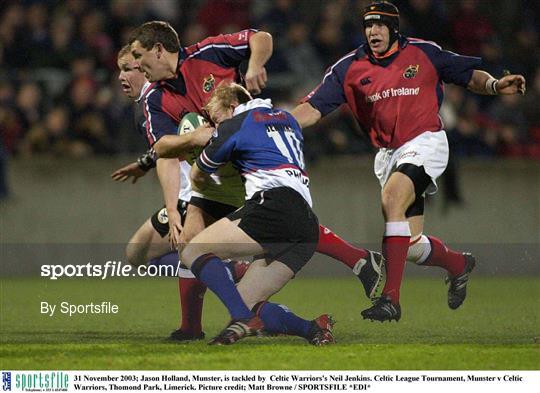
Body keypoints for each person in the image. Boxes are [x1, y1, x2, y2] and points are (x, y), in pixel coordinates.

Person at [291, 1, 526, 322]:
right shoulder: (349, 67)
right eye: (368, 25)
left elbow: (468, 76)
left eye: (379, 24)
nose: (373, 30)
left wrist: (495, 85)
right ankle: (459, 264)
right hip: (388, 155)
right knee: (410, 244)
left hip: (426, 141)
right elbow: (313, 108)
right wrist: (275, 122)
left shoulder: (424, 53)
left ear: (393, 28)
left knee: (392, 199)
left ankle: (391, 299)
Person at [126, 21, 273, 341]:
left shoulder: (208, 54)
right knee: (181, 246)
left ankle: (357, 263)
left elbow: (261, 38)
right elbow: (161, 147)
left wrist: (254, 65)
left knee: (294, 230)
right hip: (211, 179)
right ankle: (197, 323)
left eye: (138, 56)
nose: (135, 66)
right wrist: (197, 136)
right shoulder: (153, 98)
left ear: (158, 50)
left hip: (254, 169)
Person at [180, 82, 334, 345]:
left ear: (231, 105)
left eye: (215, 114)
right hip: (305, 224)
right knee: (245, 298)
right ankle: (314, 329)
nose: (213, 121)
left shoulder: (235, 124)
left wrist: (200, 184)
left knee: (193, 250)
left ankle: (241, 318)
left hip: (272, 204)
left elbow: (198, 172)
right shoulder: (287, 119)